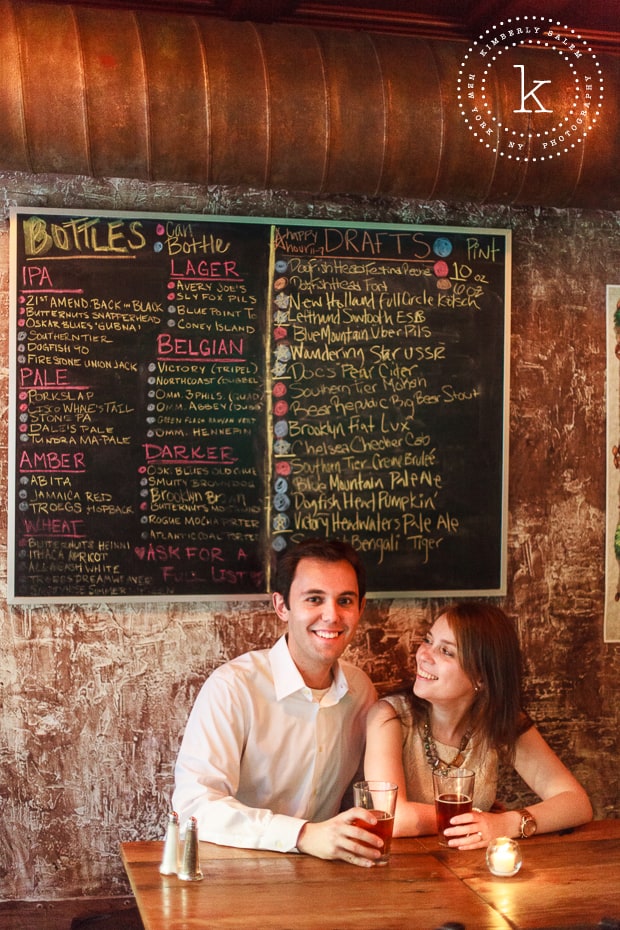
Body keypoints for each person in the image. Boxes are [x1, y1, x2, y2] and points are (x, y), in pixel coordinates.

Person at [172, 537, 383, 866]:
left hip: (324, 877)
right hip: (233, 875)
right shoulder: (233, 688)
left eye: (345, 600)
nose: (332, 615)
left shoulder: (361, 691)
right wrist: (300, 834)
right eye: (314, 599)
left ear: (361, 609)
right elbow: (194, 806)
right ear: (282, 606)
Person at [364, 602, 593, 848]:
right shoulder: (389, 716)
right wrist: (479, 817)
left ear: (481, 678)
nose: (424, 655)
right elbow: (394, 818)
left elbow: (576, 803)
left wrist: (505, 824)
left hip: (471, 870)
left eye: (446, 651)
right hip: (393, 869)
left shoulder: (498, 721)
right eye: (428, 641)